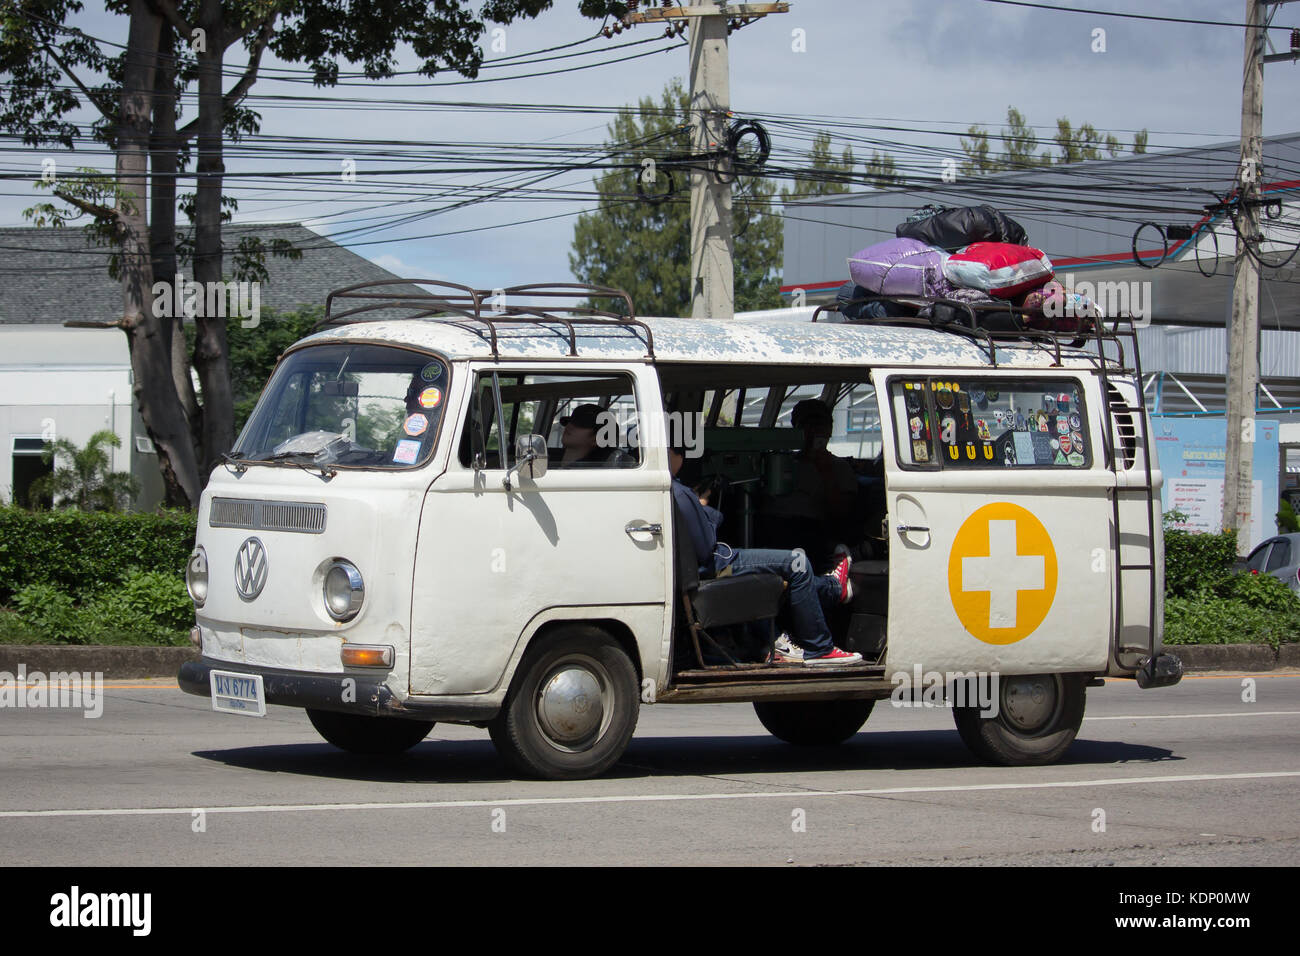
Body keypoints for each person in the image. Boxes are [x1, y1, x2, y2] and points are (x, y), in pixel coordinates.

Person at [670, 444, 862, 666]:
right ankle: (820, 647)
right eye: (678, 452)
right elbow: (705, 548)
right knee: (797, 562)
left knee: (784, 570)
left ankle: (829, 591)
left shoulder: (673, 490)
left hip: (710, 563)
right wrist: (706, 509)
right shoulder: (681, 494)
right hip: (717, 563)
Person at [557, 403, 623, 467]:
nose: (570, 426)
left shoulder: (591, 475)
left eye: (582, 425)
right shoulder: (551, 461)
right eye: (570, 421)